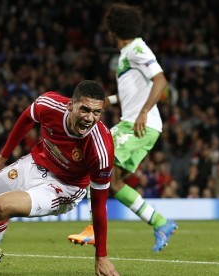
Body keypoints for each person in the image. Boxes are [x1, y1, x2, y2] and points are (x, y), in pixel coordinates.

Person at [0, 80, 120, 276]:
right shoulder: (49, 105)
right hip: (32, 165)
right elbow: (26, 118)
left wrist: (102, 256)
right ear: (70, 105)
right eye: (85, 110)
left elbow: (99, 204)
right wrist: (3, 157)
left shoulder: (101, 149)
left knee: (1, 206)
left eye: (96, 112)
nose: (90, 118)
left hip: (64, 187)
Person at [68, 3, 177, 252]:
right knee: (113, 182)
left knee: (96, 162)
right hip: (135, 123)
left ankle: (93, 230)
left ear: (113, 30)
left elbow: (160, 80)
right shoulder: (128, 52)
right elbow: (132, 91)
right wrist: (111, 101)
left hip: (138, 124)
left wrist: (143, 112)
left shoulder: (137, 48)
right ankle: (161, 222)